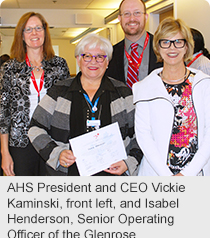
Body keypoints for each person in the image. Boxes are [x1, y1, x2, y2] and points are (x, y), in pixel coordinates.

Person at [28, 33, 142, 176]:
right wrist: (57, 153)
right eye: (87, 56)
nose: (93, 62)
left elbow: (141, 134)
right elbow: (35, 128)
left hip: (112, 177)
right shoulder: (59, 91)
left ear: (107, 62)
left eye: (100, 57)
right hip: (69, 176)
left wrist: (128, 162)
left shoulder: (123, 93)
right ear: (78, 59)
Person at [133, 17, 210, 176]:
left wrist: (187, 175)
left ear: (187, 46)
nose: (172, 48)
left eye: (178, 42)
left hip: (197, 173)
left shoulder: (204, 84)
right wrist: (168, 177)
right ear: (158, 46)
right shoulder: (144, 87)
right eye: (165, 42)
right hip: (157, 174)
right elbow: (144, 137)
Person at [0, 12, 70, 176]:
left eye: (38, 28)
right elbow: (3, 113)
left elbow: (67, 106)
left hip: (52, 140)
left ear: (45, 32)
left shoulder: (59, 65)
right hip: (20, 143)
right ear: (22, 35)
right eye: (28, 29)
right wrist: (4, 153)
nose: (34, 33)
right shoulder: (10, 68)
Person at [106, 0, 161, 88]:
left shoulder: (163, 48)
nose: (132, 18)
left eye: (137, 13)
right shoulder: (110, 54)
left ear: (146, 17)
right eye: (127, 13)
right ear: (120, 18)